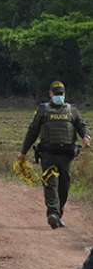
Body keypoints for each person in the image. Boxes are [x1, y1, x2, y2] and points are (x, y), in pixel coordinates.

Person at [18, 81, 90, 229]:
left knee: (62, 185)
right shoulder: (43, 110)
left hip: (64, 155)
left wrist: (85, 136)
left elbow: (80, 125)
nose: (58, 96)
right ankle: (53, 213)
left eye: (60, 93)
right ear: (50, 94)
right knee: (52, 183)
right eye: (56, 93)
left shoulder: (72, 110)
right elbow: (33, 131)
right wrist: (23, 151)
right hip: (49, 153)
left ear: (64, 94)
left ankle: (56, 214)